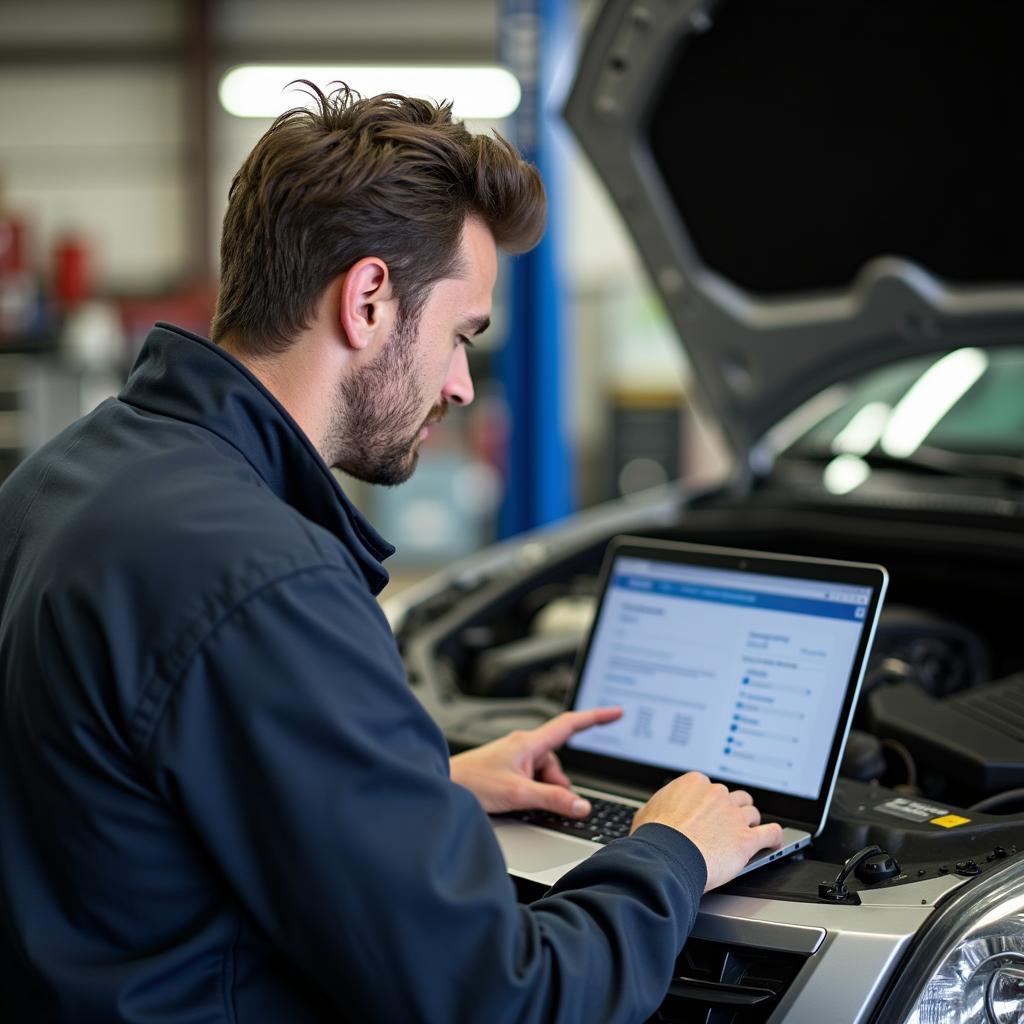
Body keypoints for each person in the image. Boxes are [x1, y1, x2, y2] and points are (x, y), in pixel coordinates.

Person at [0, 83, 781, 1023]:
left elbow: (119, 799)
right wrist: (670, 852)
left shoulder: (68, 475)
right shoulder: (263, 579)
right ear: (369, 299)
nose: (459, 383)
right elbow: (499, 998)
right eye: (461, 335)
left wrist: (422, 795)